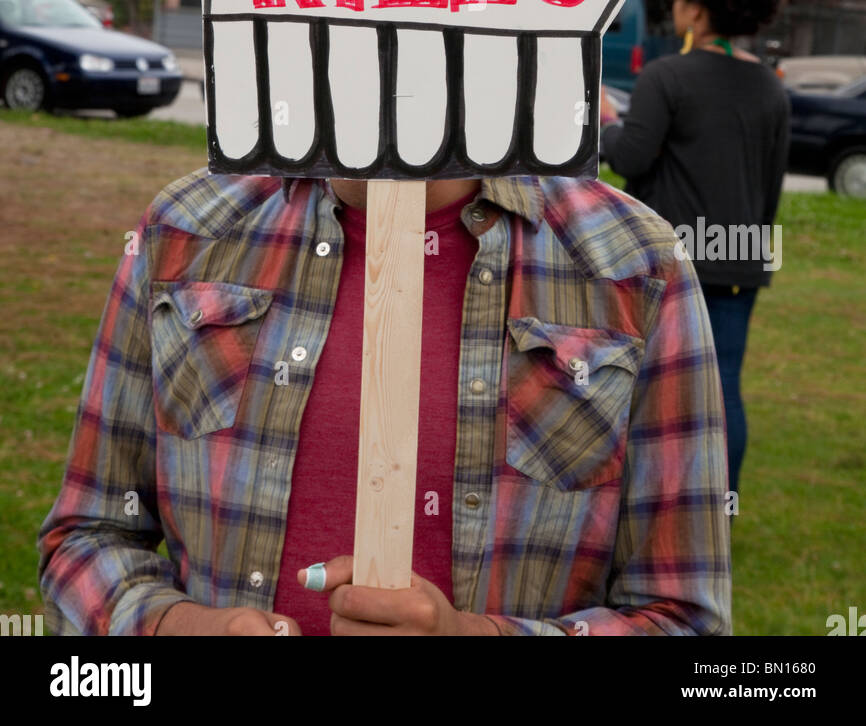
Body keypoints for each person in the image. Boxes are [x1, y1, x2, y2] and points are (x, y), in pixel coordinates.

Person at [38, 166, 732, 636]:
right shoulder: (186, 229)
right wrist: (175, 626)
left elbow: (683, 618)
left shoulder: (632, 264)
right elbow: (86, 537)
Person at [600, 0, 790, 499]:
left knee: (651, 385)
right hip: (741, 258)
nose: (676, 8)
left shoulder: (667, 75)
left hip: (673, 258)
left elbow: (630, 157)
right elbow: (771, 184)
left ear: (699, 11)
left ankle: (654, 504)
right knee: (724, 385)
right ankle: (720, 506)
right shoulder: (770, 86)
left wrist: (609, 124)